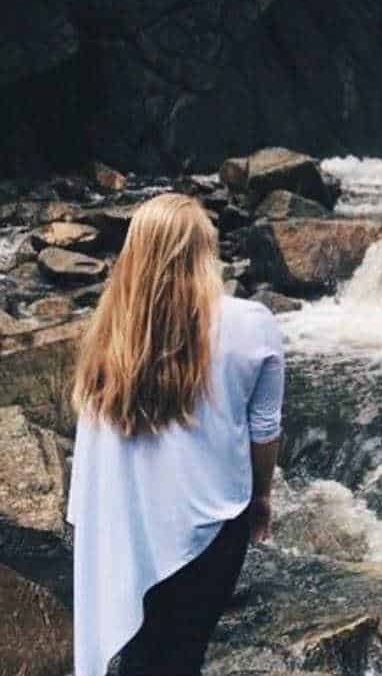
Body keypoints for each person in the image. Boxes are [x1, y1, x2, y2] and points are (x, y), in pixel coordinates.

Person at [67, 192, 285, 676]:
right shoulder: (253, 324)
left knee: (141, 655)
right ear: (205, 251)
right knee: (183, 654)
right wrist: (263, 498)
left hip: (125, 524)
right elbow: (264, 431)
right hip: (213, 524)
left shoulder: (109, 333)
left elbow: (96, 449)